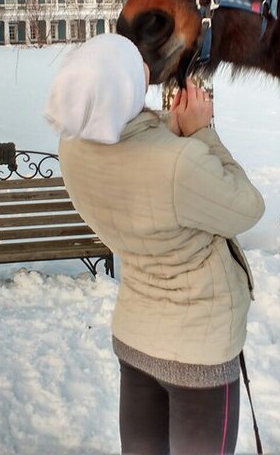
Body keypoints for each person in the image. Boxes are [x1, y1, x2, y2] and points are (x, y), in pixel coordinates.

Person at [44, 34, 265, 455]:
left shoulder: (72, 148)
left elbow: (130, 140)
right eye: (137, 68)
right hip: (198, 351)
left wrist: (172, 129)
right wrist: (201, 133)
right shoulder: (178, 164)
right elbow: (247, 207)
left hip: (136, 339)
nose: (147, 71)